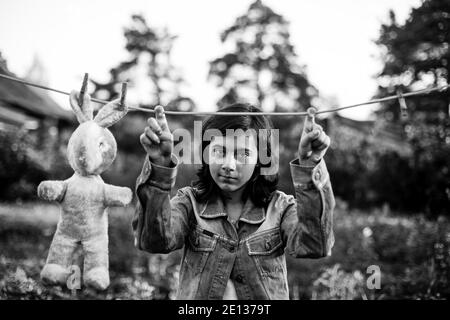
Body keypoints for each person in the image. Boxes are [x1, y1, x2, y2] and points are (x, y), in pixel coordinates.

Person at [132, 103, 335, 300]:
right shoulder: (189, 203)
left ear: (261, 159)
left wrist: (310, 167)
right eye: (219, 151)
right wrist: (159, 165)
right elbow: (154, 241)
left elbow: (314, 245)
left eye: (244, 153)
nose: (229, 164)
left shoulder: (281, 208)